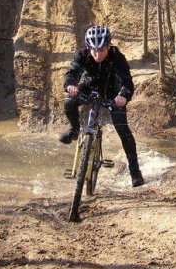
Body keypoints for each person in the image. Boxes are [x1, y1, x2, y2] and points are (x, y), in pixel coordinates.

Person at [59, 25, 145, 187]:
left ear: (109, 45)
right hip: (88, 88)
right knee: (69, 102)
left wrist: (123, 96)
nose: (98, 55)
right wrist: (70, 85)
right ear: (88, 48)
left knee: (123, 130)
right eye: (94, 51)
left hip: (112, 93)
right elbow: (72, 73)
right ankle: (74, 129)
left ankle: (135, 172)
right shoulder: (82, 55)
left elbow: (126, 81)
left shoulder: (117, 56)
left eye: (102, 50)